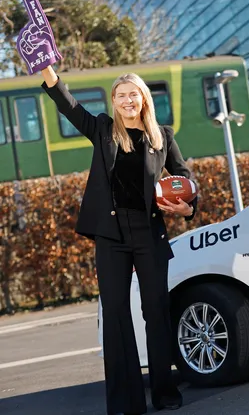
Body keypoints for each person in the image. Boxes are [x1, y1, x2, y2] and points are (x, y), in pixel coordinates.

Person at [40, 64, 197, 414]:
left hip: (149, 231)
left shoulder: (163, 136)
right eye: (121, 95)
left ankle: (165, 393)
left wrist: (188, 207)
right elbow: (69, 106)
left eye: (133, 94)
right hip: (111, 234)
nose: (128, 100)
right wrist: (47, 68)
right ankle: (126, 402)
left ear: (143, 99)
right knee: (115, 314)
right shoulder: (103, 129)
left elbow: (184, 176)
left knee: (156, 311)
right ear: (114, 101)